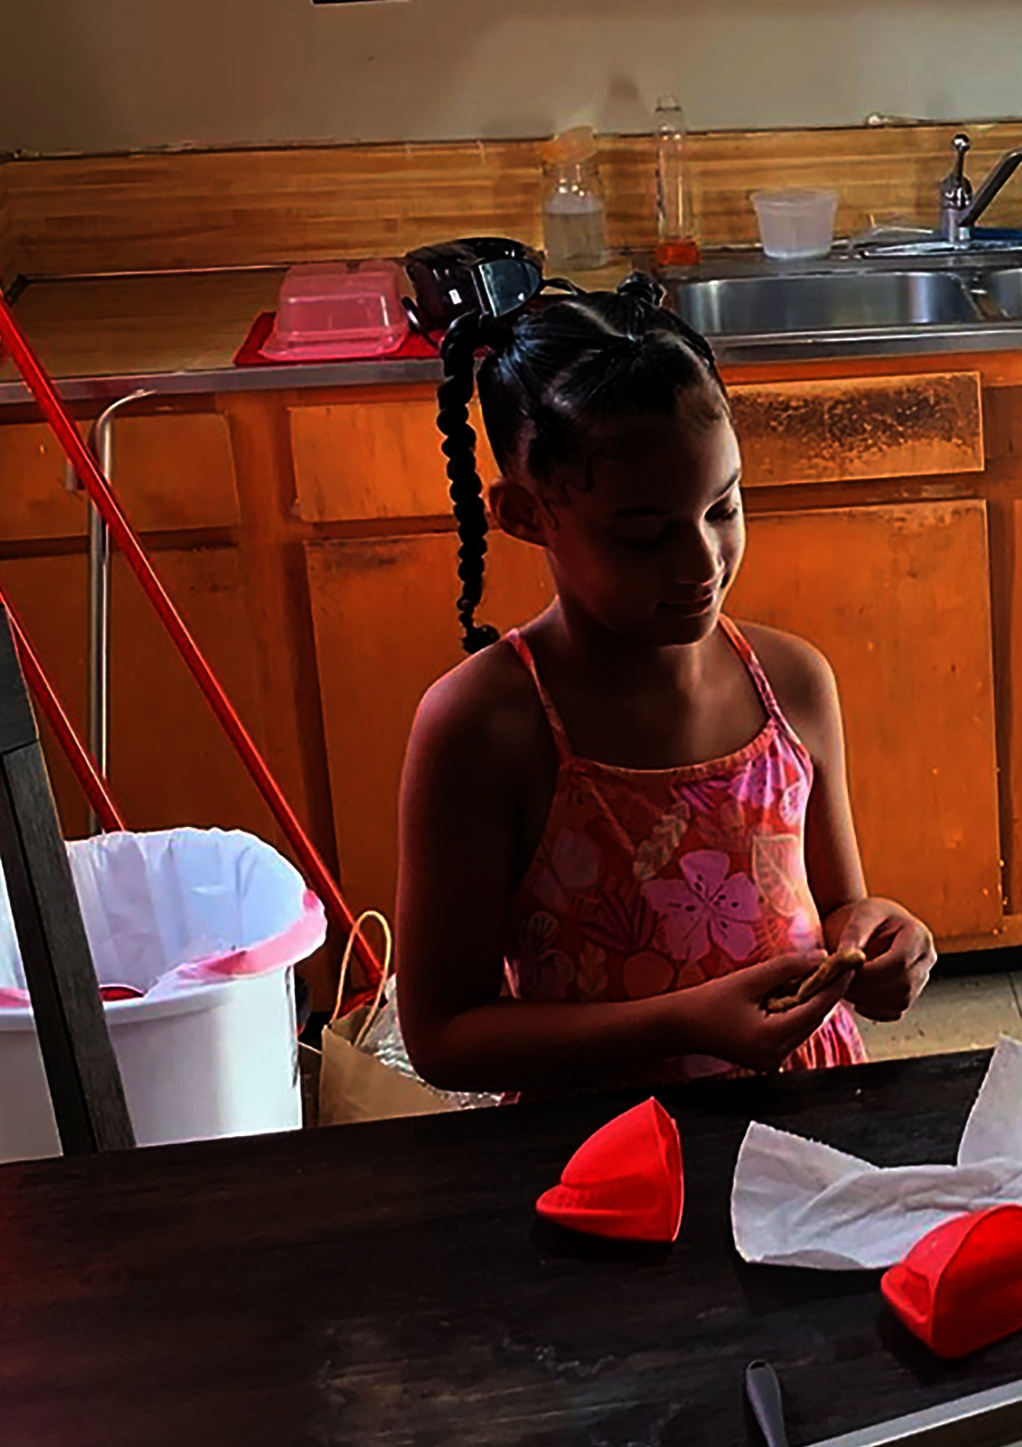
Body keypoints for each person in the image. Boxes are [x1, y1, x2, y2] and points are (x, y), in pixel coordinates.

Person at [396, 283, 934, 1094]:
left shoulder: (792, 684)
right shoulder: (484, 727)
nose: (700, 563)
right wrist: (682, 1020)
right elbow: (442, 1034)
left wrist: (879, 942)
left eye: (722, 507)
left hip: (801, 1117)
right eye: (644, 535)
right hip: (598, 1151)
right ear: (525, 515)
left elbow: (838, 919)